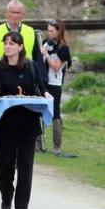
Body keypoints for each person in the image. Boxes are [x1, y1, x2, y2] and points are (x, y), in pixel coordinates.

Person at [0, 32, 51, 209]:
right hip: (5, 123)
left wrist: (46, 95)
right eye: (5, 43)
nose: (7, 46)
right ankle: (7, 195)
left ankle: (22, 205)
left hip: (28, 122)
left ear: (20, 47)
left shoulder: (31, 66)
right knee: (5, 163)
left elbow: (42, 86)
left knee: (25, 164)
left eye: (11, 43)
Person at [41, 20, 72, 157]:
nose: (49, 33)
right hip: (43, 81)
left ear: (59, 31)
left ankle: (56, 146)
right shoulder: (45, 44)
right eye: (48, 30)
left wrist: (46, 55)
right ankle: (38, 143)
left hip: (55, 83)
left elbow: (56, 67)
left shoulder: (63, 48)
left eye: (52, 31)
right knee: (38, 110)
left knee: (55, 113)